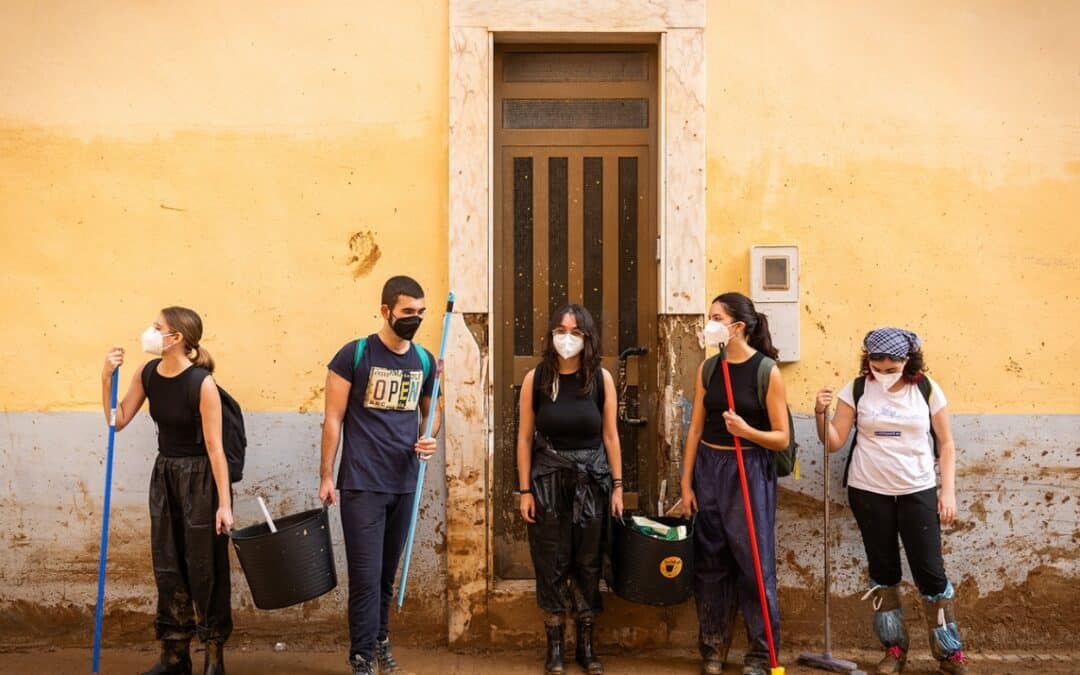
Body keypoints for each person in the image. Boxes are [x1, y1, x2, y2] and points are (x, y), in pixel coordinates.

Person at [815, 328, 967, 674]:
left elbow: (946, 444)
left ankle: (949, 652)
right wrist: (820, 415)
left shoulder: (926, 389)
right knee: (883, 572)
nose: (884, 371)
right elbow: (834, 442)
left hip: (918, 489)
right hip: (869, 491)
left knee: (930, 571)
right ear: (867, 360)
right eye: (877, 364)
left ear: (907, 360)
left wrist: (948, 491)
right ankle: (894, 650)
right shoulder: (855, 390)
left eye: (892, 364)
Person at [101, 306, 233, 675]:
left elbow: (215, 447)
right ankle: (175, 656)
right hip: (165, 477)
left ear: (176, 338)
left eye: (157, 328)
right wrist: (106, 376)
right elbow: (117, 420)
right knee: (168, 565)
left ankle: (213, 656)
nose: (150, 332)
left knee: (205, 567)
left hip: (201, 480)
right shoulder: (147, 374)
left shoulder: (201, 383)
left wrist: (224, 504)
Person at [320, 275, 440, 675]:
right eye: (408, 312)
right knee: (366, 576)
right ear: (386, 311)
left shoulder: (424, 360)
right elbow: (333, 420)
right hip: (361, 483)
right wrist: (326, 476)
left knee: (387, 575)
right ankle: (361, 655)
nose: (415, 319)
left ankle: (381, 641)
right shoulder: (354, 355)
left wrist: (429, 436)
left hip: (405, 482)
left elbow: (432, 411)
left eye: (421, 312)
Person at [680, 292, 789, 675]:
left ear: (737, 326)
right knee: (710, 561)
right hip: (709, 466)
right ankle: (712, 647)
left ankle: (761, 653)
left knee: (753, 563)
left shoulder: (766, 371)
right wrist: (686, 484)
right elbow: (694, 429)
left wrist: (746, 430)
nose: (708, 323)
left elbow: (781, 438)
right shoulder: (709, 369)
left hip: (749, 469)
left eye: (715, 317)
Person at [516, 304, 624, 675]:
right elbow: (525, 437)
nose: (566, 338)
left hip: (592, 481)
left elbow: (610, 436)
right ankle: (555, 646)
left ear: (587, 338)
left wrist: (618, 487)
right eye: (560, 330)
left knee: (588, 561)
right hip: (547, 480)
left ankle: (587, 645)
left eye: (575, 332)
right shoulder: (537, 378)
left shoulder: (601, 379)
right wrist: (524, 491)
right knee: (550, 561)